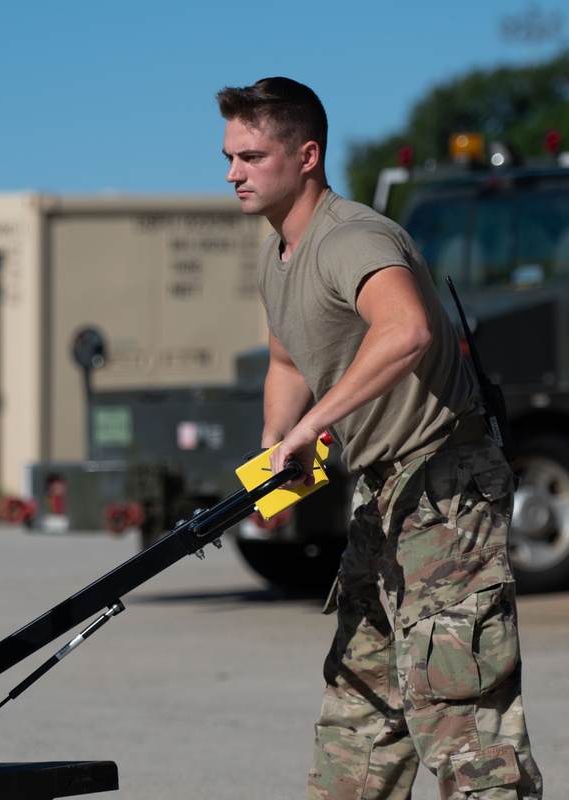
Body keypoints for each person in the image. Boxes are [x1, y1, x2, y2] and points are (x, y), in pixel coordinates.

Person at [216, 77, 543, 799]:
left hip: (444, 483)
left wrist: (313, 424)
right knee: (361, 705)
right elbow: (285, 358)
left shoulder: (353, 237)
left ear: (306, 156)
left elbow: (408, 329)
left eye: (251, 155)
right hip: (382, 490)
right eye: (229, 156)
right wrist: (276, 437)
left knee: (458, 710)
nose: (233, 172)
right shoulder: (281, 254)